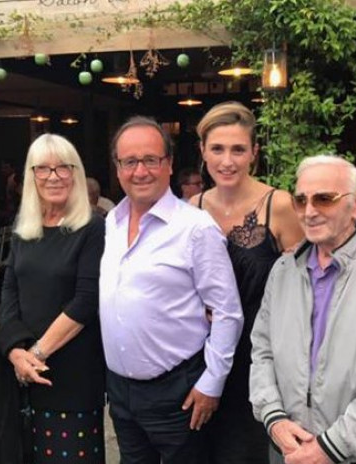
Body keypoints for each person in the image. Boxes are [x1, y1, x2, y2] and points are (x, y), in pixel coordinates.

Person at [249, 155, 356, 464]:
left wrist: (328, 447)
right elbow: (262, 351)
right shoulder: (283, 271)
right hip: (287, 449)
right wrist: (273, 418)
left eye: (324, 199)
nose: (309, 211)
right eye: (301, 200)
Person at [99, 116, 243, 464]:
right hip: (121, 390)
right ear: (117, 168)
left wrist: (212, 383)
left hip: (178, 392)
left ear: (169, 164)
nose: (140, 171)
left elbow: (227, 311)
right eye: (130, 161)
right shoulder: (111, 222)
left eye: (151, 159)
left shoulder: (195, 228)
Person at [189, 101, 304, 464]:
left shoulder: (279, 205)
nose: (227, 161)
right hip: (203, 357)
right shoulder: (191, 207)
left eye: (238, 149)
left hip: (259, 358)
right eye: (217, 149)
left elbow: (306, 287)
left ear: (254, 152)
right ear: (202, 151)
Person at [0, 134, 106, 464]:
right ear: (31, 176)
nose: (53, 176)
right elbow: (9, 289)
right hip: (20, 371)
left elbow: (85, 301)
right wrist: (15, 352)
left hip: (71, 373)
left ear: (75, 173)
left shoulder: (93, 228)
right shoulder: (24, 227)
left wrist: (37, 355)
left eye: (62, 167)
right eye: (43, 168)